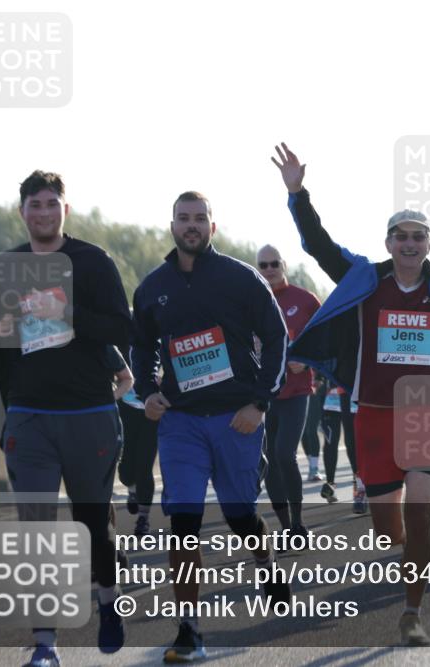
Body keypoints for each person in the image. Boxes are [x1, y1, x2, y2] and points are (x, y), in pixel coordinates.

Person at [274, 143, 430, 646]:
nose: (409, 243)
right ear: (388, 242)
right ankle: (408, 554)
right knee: (389, 531)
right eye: (401, 236)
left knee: (420, 514)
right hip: (372, 415)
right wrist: (298, 193)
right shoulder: (365, 276)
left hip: (423, 413)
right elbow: (318, 244)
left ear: (428, 244)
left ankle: (412, 611)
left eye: (418, 236)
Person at [0, 170, 132, 666]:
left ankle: (107, 601)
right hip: (29, 415)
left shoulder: (93, 261)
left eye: (51, 203)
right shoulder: (6, 267)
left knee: (92, 524)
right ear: (22, 212)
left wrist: (66, 312)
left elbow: (121, 328)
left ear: (66, 209)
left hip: (90, 412)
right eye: (34, 205)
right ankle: (45, 644)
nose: (43, 212)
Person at [131, 190, 290, 661]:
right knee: (183, 522)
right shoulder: (153, 287)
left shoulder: (240, 277)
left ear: (212, 227)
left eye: (200, 218)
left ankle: (266, 560)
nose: (192, 225)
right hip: (180, 421)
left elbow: (277, 337)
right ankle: (189, 627)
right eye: (184, 218)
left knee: (241, 516)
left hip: (236, 418)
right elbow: (141, 346)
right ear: (172, 226)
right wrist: (148, 390)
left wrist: (259, 403)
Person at [257, 244, 322, 538]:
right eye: (263, 265)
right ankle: (286, 527)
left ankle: (298, 522)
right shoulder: (252, 300)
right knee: (269, 459)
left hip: (297, 390)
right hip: (265, 393)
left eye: (274, 263)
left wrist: (307, 360)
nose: (269, 269)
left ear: (283, 265)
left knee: (285, 454)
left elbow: (326, 339)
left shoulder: (305, 300)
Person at [118, 342, 159, 538]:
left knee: (144, 465)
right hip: (125, 409)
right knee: (126, 469)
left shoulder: (156, 338)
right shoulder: (119, 339)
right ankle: (132, 488)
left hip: (151, 411)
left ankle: (144, 518)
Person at [319, 378, 367, 513]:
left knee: (351, 442)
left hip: (351, 395)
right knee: (330, 441)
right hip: (331, 395)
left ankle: (359, 488)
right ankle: (330, 485)